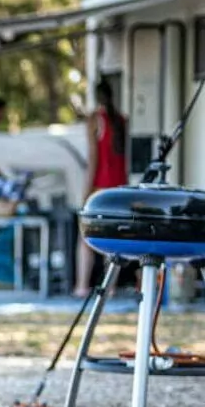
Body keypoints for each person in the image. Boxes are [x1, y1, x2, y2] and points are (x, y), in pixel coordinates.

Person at [74, 79, 129, 298]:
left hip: (100, 185)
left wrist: (86, 189)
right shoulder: (122, 120)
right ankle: (111, 286)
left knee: (86, 236)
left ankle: (81, 285)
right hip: (119, 185)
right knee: (112, 237)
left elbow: (94, 157)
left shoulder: (95, 120)